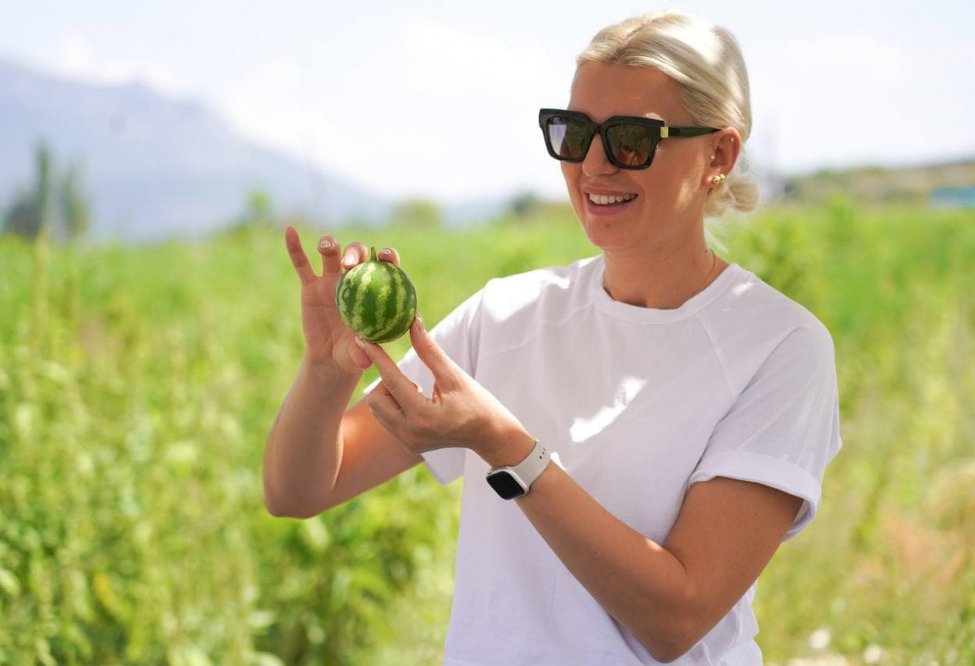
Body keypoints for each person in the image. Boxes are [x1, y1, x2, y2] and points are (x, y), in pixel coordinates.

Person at [264, 10, 841, 665]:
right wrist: (327, 369)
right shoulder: (507, 314)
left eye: (630, 139)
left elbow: (677, 616)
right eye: (572, 133)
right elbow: (300, 490)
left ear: (719, 154)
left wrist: (506, 447)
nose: (593, 166)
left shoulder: (779, 346)